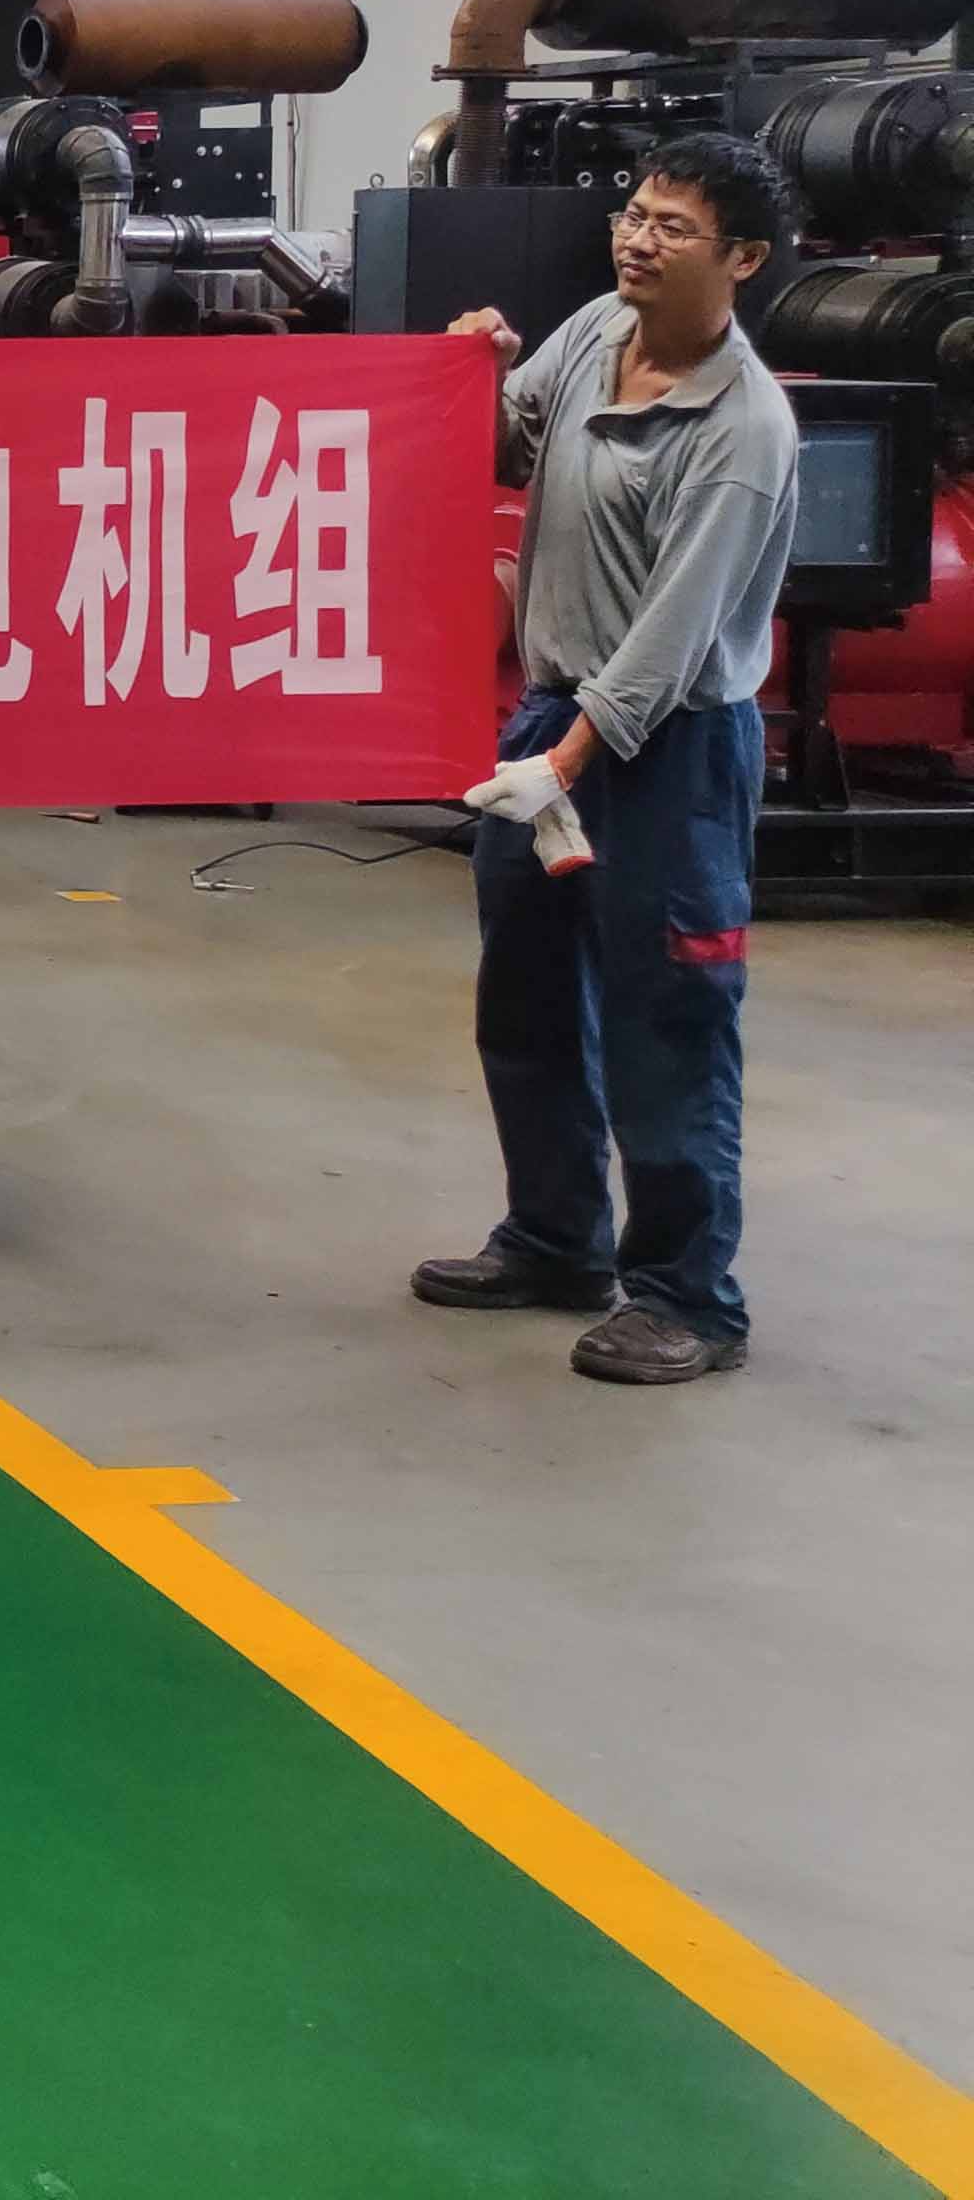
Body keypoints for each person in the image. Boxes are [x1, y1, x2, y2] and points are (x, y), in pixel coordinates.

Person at [422, 129, 804, 1384]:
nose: (638, 240)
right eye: (634, 214)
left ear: (742, 259)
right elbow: (508, 445)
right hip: (552, 721)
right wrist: (480, 371)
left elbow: (669, 642)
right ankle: (554, 1240)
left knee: (666, 1024)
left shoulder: (743, 429)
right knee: (526, 997)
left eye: (672, 227)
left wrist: (568, 761)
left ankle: (690, 1299)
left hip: (666, 755)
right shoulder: (597, 329)